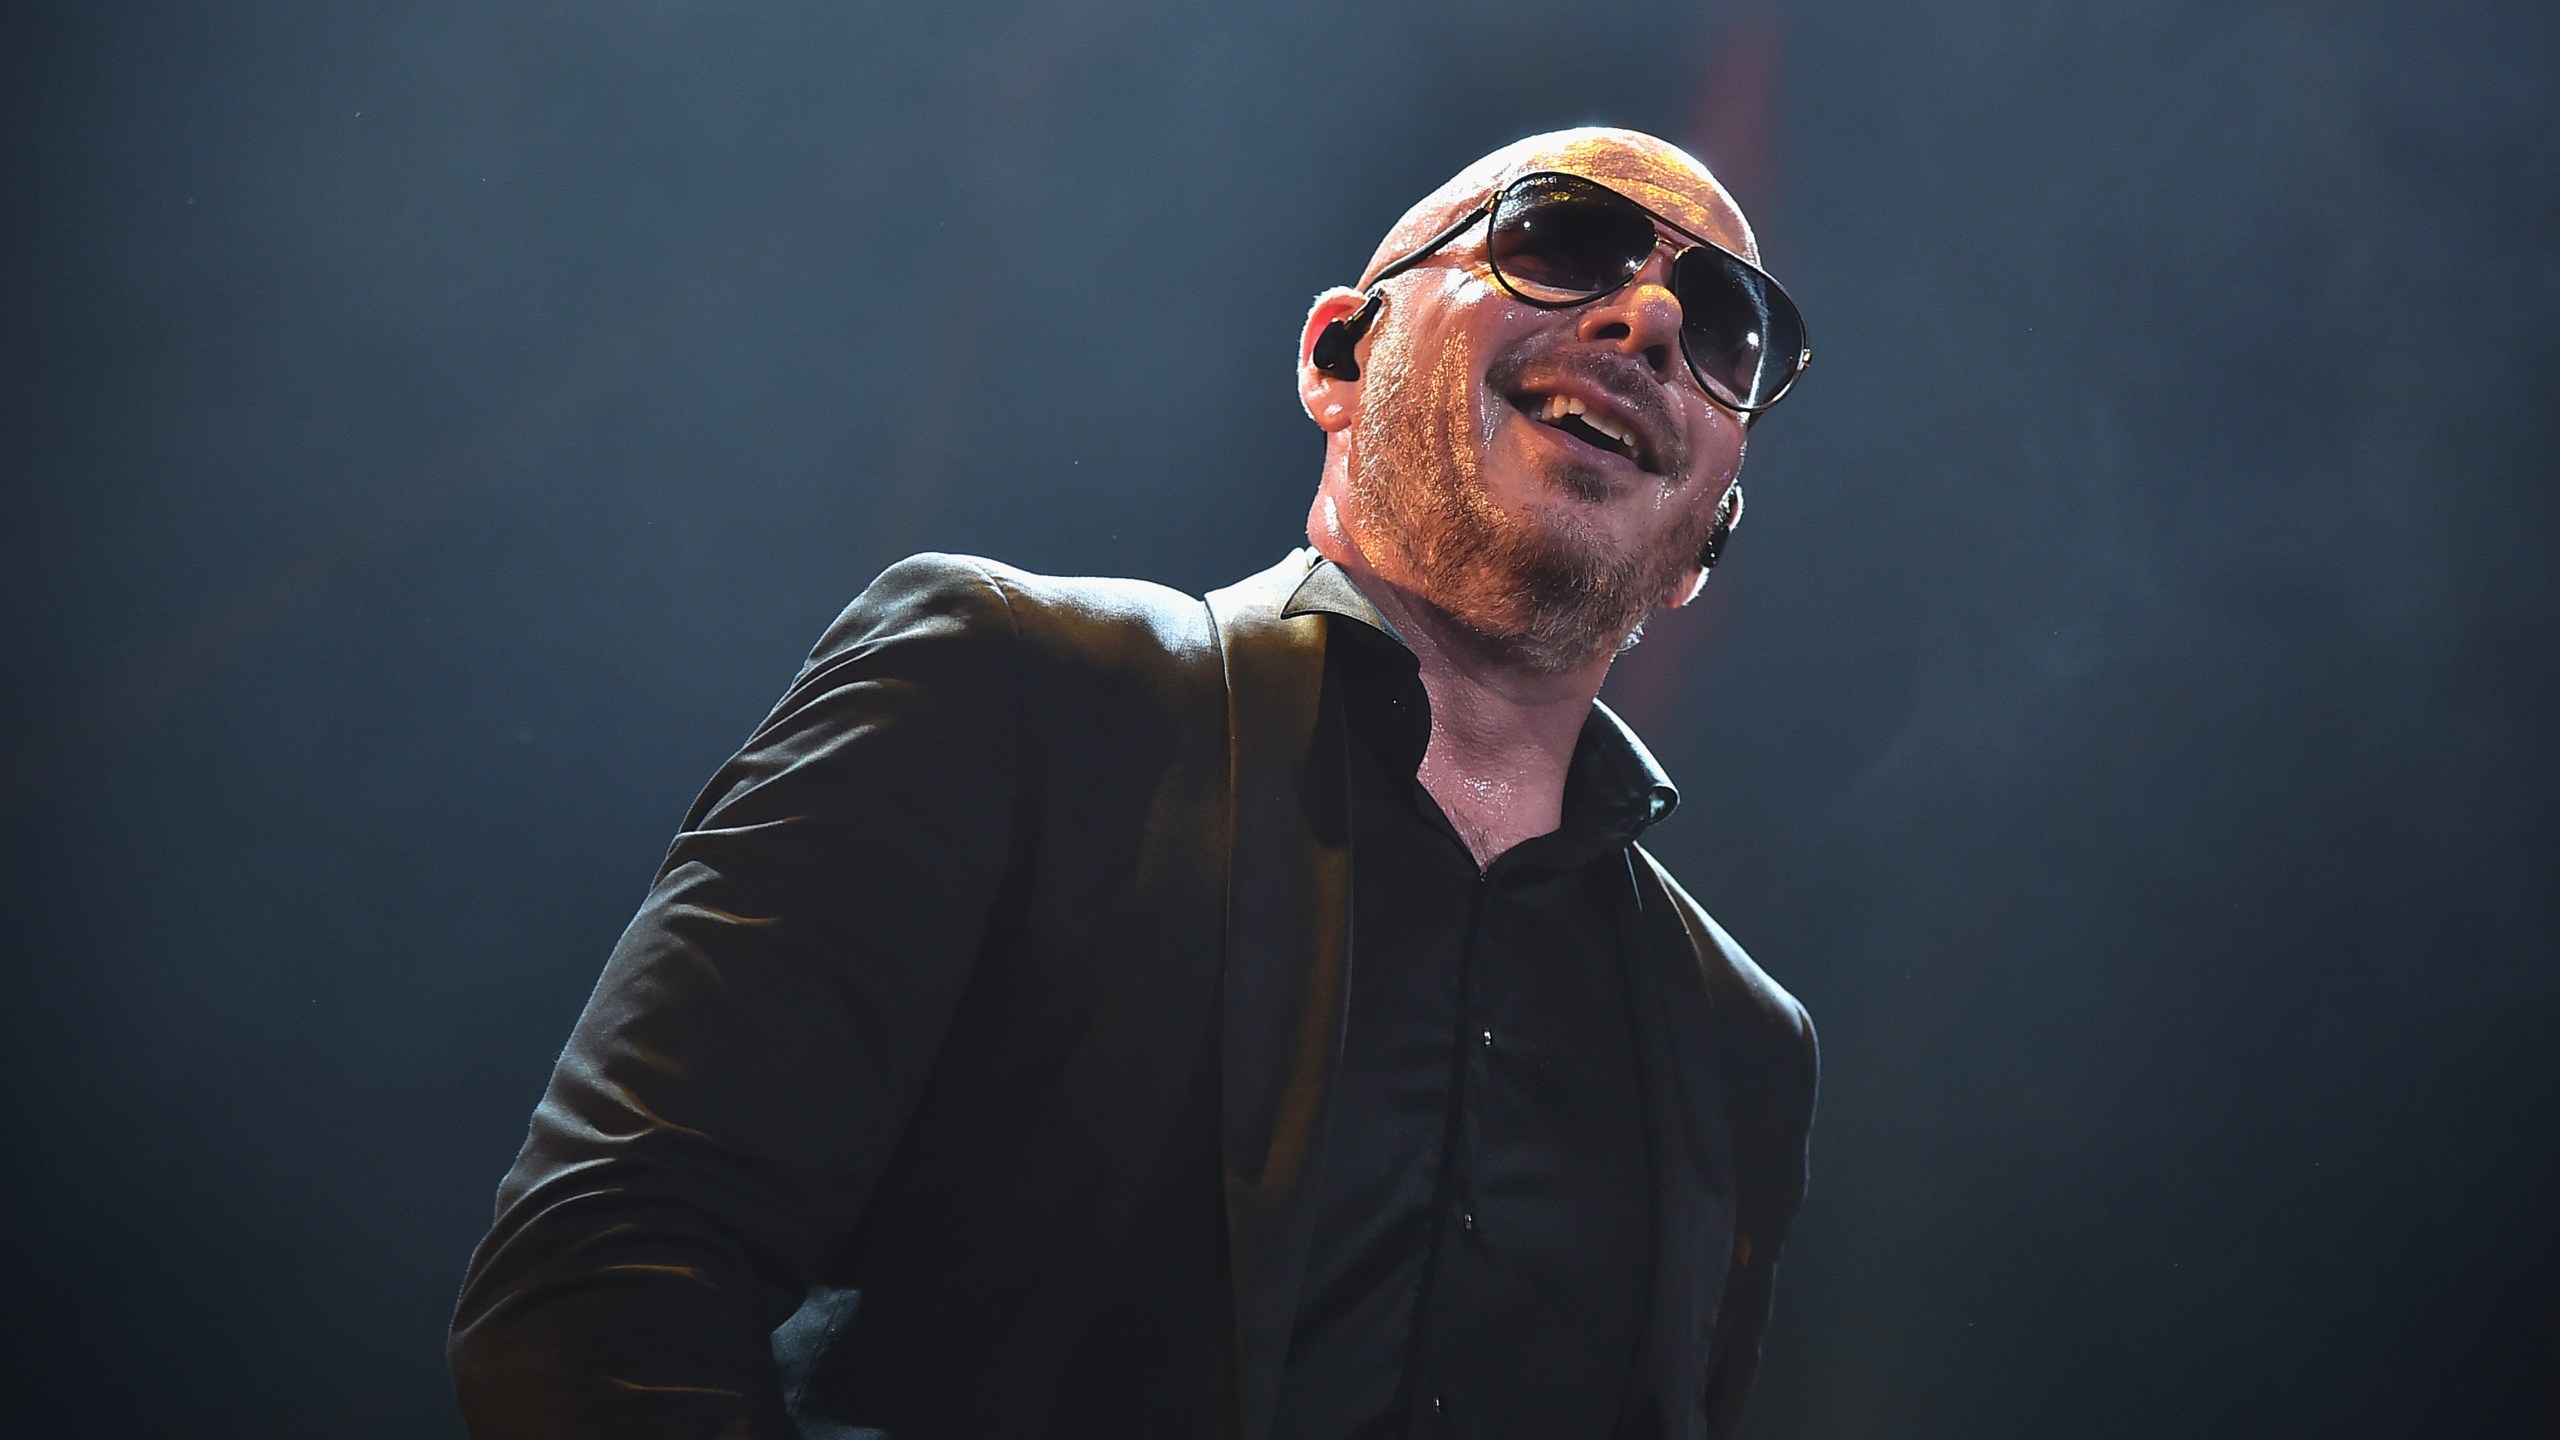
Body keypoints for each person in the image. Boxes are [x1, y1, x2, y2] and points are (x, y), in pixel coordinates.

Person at [451, 125, 1818, 1440]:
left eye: (1723, 327)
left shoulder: (1738, 1042)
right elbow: (606, 1268)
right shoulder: (1005, 690)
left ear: (1708, 538)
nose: (1644, 319)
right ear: (1343, 356)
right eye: (1562, 240)